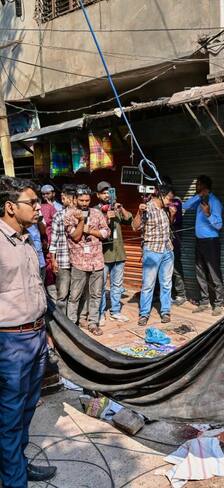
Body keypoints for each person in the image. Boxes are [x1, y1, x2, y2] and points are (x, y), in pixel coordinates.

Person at [0, 176, 57, 485]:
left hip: (35, 336)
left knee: (25, 409)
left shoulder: (28, 238)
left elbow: (35, 289)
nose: (38, 207)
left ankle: (17, 464)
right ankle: (14, 480)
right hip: (10, 342)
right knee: (9, 415)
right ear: (10, 207)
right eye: (32, 202)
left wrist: (44, 330)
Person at [64, 184, 109, 335]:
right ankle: (71, 325)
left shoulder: (97, 213)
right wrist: (82, 221)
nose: (84, 203)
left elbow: (106, 232)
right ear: (75, 199)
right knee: (75, 295)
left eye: (87, 200)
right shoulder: (69, 215)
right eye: (81, 200)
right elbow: (76, 236)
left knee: (96, 295)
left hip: (97, 261)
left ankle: (93, 323)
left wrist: (90, 231)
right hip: (79, 262)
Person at [132, 185, 176, 326]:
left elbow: (167, 226)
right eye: (169, 199)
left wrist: (172, 215)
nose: (170, 202)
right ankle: (144, 314)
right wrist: (139, 212)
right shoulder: (147, 207)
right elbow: (135, 227)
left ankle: (165, 311)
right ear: (161, 196)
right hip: (152, 251)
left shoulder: (165, 209)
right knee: (148, 285)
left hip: (167, 250)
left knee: (166, 283)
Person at [182, 175, 224, 315]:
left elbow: (219, 225)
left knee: (214, 273)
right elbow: (184, 206)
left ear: (205, 187)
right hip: (199, 241)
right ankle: (204, 302)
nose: (196, 186)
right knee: (200, 272)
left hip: (211, 242)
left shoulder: (214, 202)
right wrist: (198, 196)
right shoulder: (199, 200)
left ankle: (218, 303)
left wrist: (208, 214)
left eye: (198, 184)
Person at [95, 181, 132, 322]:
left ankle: (115, 311)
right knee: (101, 286)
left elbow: (129, 219)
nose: (106, 195)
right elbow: (94, 230)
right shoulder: (95, 210)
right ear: (98, 195)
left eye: (109, 192)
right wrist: (106, 217)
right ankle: (100, 313)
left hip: (118, 254)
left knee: (117, 285)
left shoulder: (116, 208)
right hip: (103, 255)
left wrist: (120, 208)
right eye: (104, 193)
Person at [49, 185, 77, 312]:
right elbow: (54, 239)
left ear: (71, 199)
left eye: (64, 197)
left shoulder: (81, 215)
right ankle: (62, 319)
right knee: (63, 293)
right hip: (63, 260)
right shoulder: (58, 216)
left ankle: (73, 318)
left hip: (79, 261)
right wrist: (53, 260)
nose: (62, 200)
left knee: (75, 293)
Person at [161, 175, 187, 306]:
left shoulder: (175, 202)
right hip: (161, 241)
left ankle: (181, 294)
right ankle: (163, 294)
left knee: (175, 267)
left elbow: (175, 220)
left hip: (174, 240)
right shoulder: (158, 201)